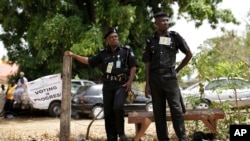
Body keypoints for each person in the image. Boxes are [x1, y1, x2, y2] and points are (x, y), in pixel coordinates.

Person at [64, 27, 137, 141]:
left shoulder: (126, 51)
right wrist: (73, 55)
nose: (115, 39)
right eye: (112, 37)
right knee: (108, 112)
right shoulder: (103, 54)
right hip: (108, 85)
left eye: (116, 37)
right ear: (107, 40)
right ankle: (111, 137)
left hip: (121, 84)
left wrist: (130, 81)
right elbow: (89, 60)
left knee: (118, 107)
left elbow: (133, 66)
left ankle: (121, 133)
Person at [142, 11, 193, 141]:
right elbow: (147, 64)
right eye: (162, 21)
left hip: (170, 77)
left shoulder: (175, 37)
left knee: (176, 109)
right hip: (154, 79)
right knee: (159, 112)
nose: (165, 22)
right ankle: (163, 139)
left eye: (166, 20)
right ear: (156, 23)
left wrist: (177, 70)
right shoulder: (150, 41)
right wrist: (147, 84)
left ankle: (182, 137)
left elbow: (188, 54)